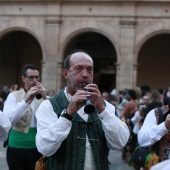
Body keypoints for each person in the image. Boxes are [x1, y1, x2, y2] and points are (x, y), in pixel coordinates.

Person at [36, 50, 130, 170]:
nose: (85, 74)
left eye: (89, 70)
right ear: (65, 74)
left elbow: (119, 143)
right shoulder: (49, 106)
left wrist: (102, 111)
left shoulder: (105, 106)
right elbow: (44, 148)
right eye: (78, 69)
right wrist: (67, 115)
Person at [3, 64, 47, 170]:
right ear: (23, 78)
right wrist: (25, 101)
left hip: (36, 146)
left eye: (37, 77)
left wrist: (45, 98)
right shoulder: (13, 96)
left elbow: (52, 117)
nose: (35, 80)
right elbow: (8, 120)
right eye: (31, 77)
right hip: (16, 145)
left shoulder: (43, 96)